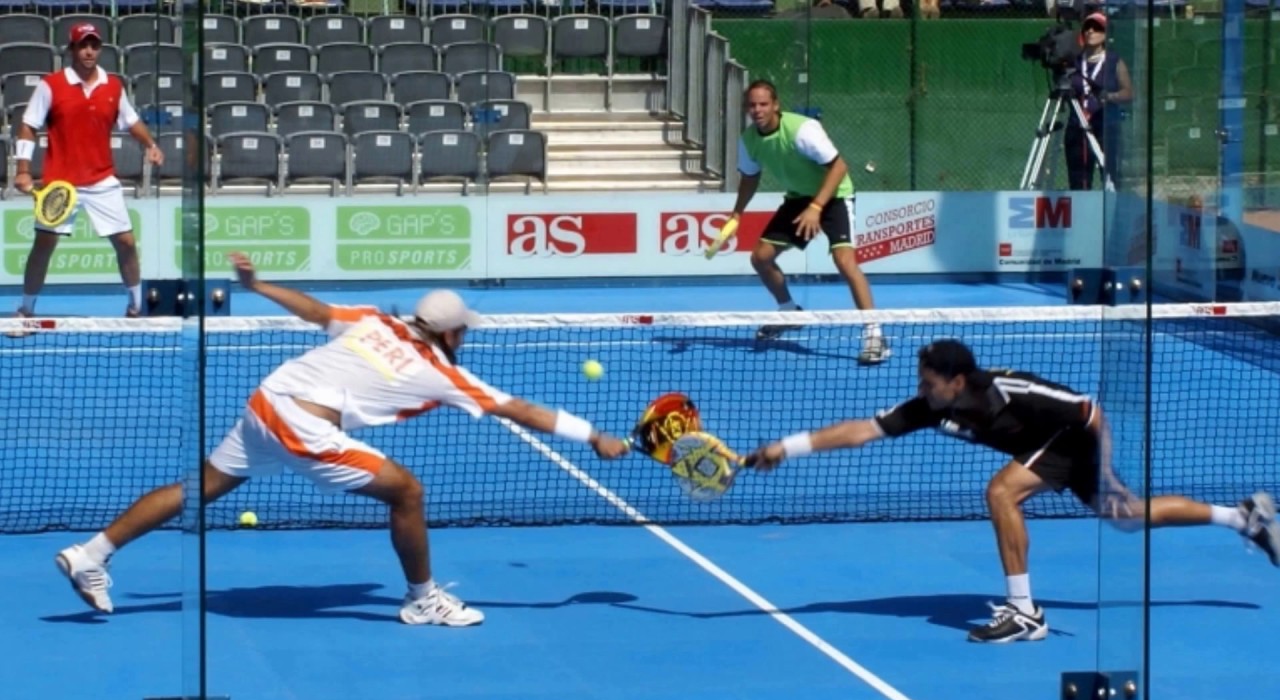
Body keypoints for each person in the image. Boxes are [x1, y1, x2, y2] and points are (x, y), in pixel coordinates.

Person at [55, 252, 631, 626]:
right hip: (300, 426)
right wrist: (595, 436)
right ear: (450, 331)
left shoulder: (375, 321)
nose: (465, 337)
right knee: (406, 491)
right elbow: (519, 409)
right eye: (463, 331)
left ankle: (91, 554)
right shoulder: (442, 370)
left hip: (268, 397)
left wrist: (257, 285)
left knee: (201, 485)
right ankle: (422, 598)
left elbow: (314, 310)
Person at [746, 339, 1280, 643]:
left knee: (1000, 492)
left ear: (958, 380)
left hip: (1074, 436)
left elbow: (1092, 412)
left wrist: (1109, 470)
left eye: (928, 383)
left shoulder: (1011, 390)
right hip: (1050, 450)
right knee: (1128, 517)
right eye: (920, 381)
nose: (920, 390)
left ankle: (1025, 613)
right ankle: (1244, 518)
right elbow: (862, 430)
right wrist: (785, 448)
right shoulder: (928, 408)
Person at [11, 22, 164, 325]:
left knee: (126, 243)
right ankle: (26, 311)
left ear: (100, 49)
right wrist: (24, 169)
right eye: (83, 45)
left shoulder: (113, 85)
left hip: (102, 179)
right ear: (71, 49)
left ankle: (135, 307)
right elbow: (28, 126)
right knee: (43, 246)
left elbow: (131, 120)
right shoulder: (51, 85)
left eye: (94, 45)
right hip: (60, 183)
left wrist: (150, 144)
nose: (89, 51)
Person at [727, 79, 888, 365]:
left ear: (776, 105)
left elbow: (839, 167)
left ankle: (875, 333)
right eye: (752, 105)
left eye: (763, 104)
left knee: (844, 260)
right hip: (799, 198)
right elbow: (750, 178)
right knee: (761, 257)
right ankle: (789, 311)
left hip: (835, 194)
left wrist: (816, 207)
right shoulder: (749, 140)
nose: (757, 110)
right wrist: (737, 213)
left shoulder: (802, 130)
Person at [1065, 12, 1131, 190]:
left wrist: (1109, 96)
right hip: (1078, 128)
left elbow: (1128, 93)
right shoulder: (1074, 62)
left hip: (1105, 127)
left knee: (1111, 178)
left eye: (1097, 28)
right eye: (1087, 27)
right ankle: (1083, 215)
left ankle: (1112, 214)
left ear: (1105, 34)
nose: (1091, 31)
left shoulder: (1114, 61)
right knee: (1079, 181)